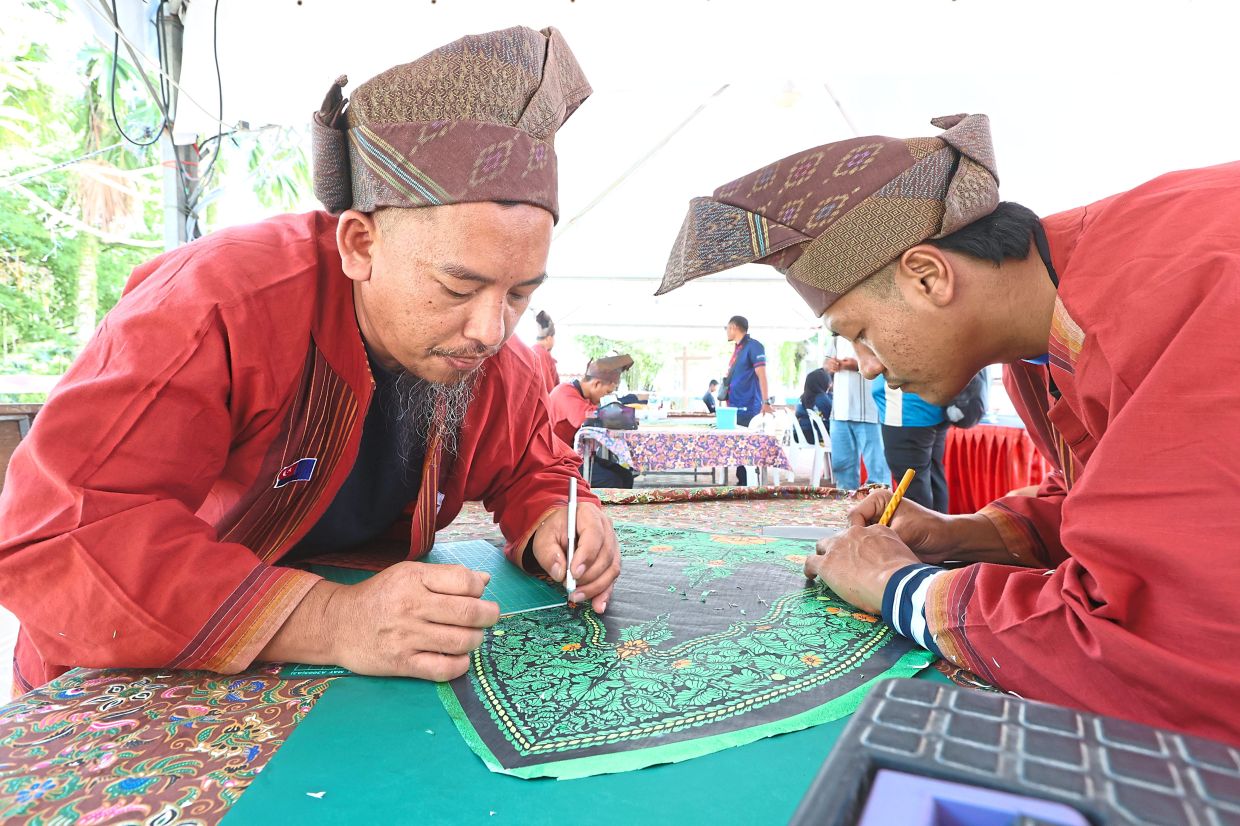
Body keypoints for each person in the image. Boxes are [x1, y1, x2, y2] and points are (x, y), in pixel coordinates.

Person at [0, 26, 623, 696]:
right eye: (458, 287)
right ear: (359, 244)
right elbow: (58, 534)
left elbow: (531, 462)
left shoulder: (492, 353)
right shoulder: (218, 304)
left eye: (521, 293)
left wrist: (555, 520)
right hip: (159, 658)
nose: (491, 330)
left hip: (362, 671)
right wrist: (333, 619)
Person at [656, 113, 1240, 744]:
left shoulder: (1179, 287)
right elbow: (1122, 510)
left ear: (929, 276)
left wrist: (898, 585)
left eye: (859, 333)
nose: (870, 366)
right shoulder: (1040, 344)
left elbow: (1168, 652)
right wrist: (956, 534)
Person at [548, 355, 635, 488]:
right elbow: (587, 418)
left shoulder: (584, 397)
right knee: (613, 480)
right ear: (596, 384)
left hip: (572, 456)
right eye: (607, 392)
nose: (603, 398)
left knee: (625, 475)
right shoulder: (565, 393)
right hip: (554, 462)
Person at [872, 375, 948, 513]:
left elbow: (872, 367)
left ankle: (922, 533)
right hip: (931, 405)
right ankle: (939, 533)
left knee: (912, 490)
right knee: (932, 480)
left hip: (904, 410)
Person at [825, 334, 890, 489]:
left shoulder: (873, 333)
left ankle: (880, 510)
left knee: (877, 471)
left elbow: (886, 365)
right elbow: (826, 362)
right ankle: (847, 510)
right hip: (840, 412)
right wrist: (830, 365)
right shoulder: (835, 335)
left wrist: (857, 365)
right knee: (842, 468)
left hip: (870, 412)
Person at [721, 315, 772, 484]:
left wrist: (766, 402)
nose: (726, 331)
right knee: (737, 446)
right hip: (734, 405)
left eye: (727, 328)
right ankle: (742, 482)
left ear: (734, 327)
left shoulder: (754, 347)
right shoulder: (738, 348)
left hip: (748, 405)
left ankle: (746, 483)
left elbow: (762, 375)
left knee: (745, 446)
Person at [795, 361, 832, 442]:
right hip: (813, 435)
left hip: (799, 434)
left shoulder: (802, 397)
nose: (830, 384)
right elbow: (832, 417)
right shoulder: (821, 399)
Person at [531, 310, 560, 391]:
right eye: (553, 338)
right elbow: (548, 388)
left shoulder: (533, 351)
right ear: (549, 338)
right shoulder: (541, 354)